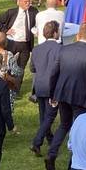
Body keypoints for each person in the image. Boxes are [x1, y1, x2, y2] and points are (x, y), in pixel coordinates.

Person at [45, 22, 86, 170]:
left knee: (64, 124)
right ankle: (76, 160)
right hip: (82, 97)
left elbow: (53, 74)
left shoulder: (63, 50)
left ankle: (52, 154)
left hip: (63, 94)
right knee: (80, 128)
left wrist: (53, 94)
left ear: (79, 33)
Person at [30, 21, 62, 157]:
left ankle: (49, 138)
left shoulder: (36, 49)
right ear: (55, 33)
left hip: (39, 86)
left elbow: (32, 68)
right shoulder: (60, 49)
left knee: (44, 115)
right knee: (49, 116)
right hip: (53, 87)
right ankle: (37, 142)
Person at [0, 0, 38, 73]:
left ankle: (17, 84)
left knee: (21, 69)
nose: (28, 3)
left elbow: (38, 23)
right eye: (25, 2)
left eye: (29, 1)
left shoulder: (33, 11)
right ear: (20, 2)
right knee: (8, 67)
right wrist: (5, 31)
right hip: (12, 43)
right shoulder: (11, 12)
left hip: (26, 44)